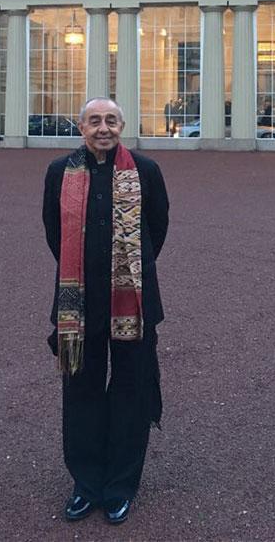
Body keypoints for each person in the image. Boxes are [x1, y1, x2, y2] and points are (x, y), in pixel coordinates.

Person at [42, 97, 169, 526]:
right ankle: (86, 483)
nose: (103, 128)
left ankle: (120, 485)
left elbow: (158, 228)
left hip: (131, 297)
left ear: (122, 126)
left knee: (131, 390)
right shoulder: (60, 172)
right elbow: (53, 233)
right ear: (81, 127)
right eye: (94, 121)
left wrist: (130, 272)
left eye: (110, 121)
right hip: (78, 301)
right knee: (81, 390)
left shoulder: (146, 171)